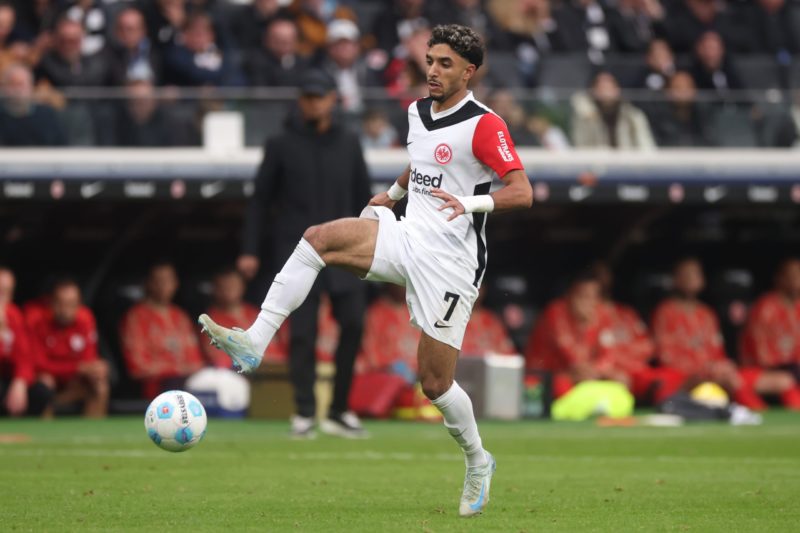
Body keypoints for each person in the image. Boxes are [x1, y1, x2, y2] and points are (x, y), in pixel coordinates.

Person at [200, 24, 533, 517]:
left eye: (445, 64)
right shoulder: (417, 111)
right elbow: (419, 161)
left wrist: (468, 203)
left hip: (451, 263)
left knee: (435, 384)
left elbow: (522, 191)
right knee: (318, 238)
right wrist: (394, 195)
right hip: (407, 234)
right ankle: (255, 339)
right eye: (430, 60)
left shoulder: (485, 125)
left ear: (470, 71)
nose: (434, 71)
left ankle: (478, 459)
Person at [235, 68, 372, 440]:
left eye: (319, 96)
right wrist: (250, 250)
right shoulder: (280, 143)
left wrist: (379, 245)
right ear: (301, 101)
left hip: (346, 250)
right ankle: (305, 412)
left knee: (355, 325)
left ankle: (340, 410)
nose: (313, 103)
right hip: (298, 253)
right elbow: (260, 201)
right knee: (302, 334)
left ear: (332, 99)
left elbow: (366, 198)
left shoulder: (349, 142)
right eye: (308, 96)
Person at [652, 258, 786, 410]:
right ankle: (754, 410)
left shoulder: (706, 313)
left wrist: (719, 367)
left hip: (714, 374)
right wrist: (703, 369)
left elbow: (718, 352)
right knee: (727, 380)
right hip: (684, 376)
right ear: (675, 280)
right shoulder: (665, 312)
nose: (692, 279)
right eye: (687, 275)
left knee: (782, 380)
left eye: (696, 274)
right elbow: (666, 355)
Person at [119, 261, 206, 399]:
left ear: (176, 283)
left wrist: (188, 369)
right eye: (158, 281)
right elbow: (137, 367)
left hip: (188, 384)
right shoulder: (136, 316)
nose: (163, 286)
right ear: (148, 283)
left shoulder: (181, 316)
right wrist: (175, 369)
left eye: (168, 280)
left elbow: (195, 360)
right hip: (157, 388)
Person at [29, 278, 109, 418]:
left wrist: (96, 368)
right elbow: (38, 364)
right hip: (47, 383)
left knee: (99, 384)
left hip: (73, 384)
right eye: (61, 303)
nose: (65, 310)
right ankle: (46, 431)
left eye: (72, 304)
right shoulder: (36, 319)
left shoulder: (85, 318)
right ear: (51, 303)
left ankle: (93, 433)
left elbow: (88, 360)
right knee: (45, 382)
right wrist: (77, 367)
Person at [739, 259, 800, 409]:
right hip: (766, 371)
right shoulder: (765, 307)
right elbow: (762, 356)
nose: (796, 279)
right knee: (786, 381)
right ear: (779, 279)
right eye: (791, 275)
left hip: (795, 370)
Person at [201, 267, 288, 367]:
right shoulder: (210, 321)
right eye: (224, 286)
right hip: (240, 374)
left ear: (242, 286)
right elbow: (218, 358)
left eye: (233, 284)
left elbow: (283, 347)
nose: (228, 289)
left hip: (278, 369)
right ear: (215, 289)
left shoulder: (257, 313)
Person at [0, 267, 51, 416]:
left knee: (41, 392)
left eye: (7, 292)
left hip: (6, 378)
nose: (2, 297)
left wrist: (20, 381)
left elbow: (25, 356)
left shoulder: (13, 314)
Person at [570, 71, 655, 150]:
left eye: (609, 87)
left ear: (617, 90)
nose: (606, 92)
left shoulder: (632, 115)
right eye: (601, 87)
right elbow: (580, 144)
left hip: (628, 162)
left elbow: (645, 143)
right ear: (594, 91)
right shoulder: (584, 115)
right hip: (596, 162)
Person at [0, 63, 65, 146]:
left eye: (21, 84)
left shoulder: (46, 115)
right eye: (12, 84)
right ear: (3, 87)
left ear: (31, 87)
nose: (17, 90)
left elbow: (61, 145)